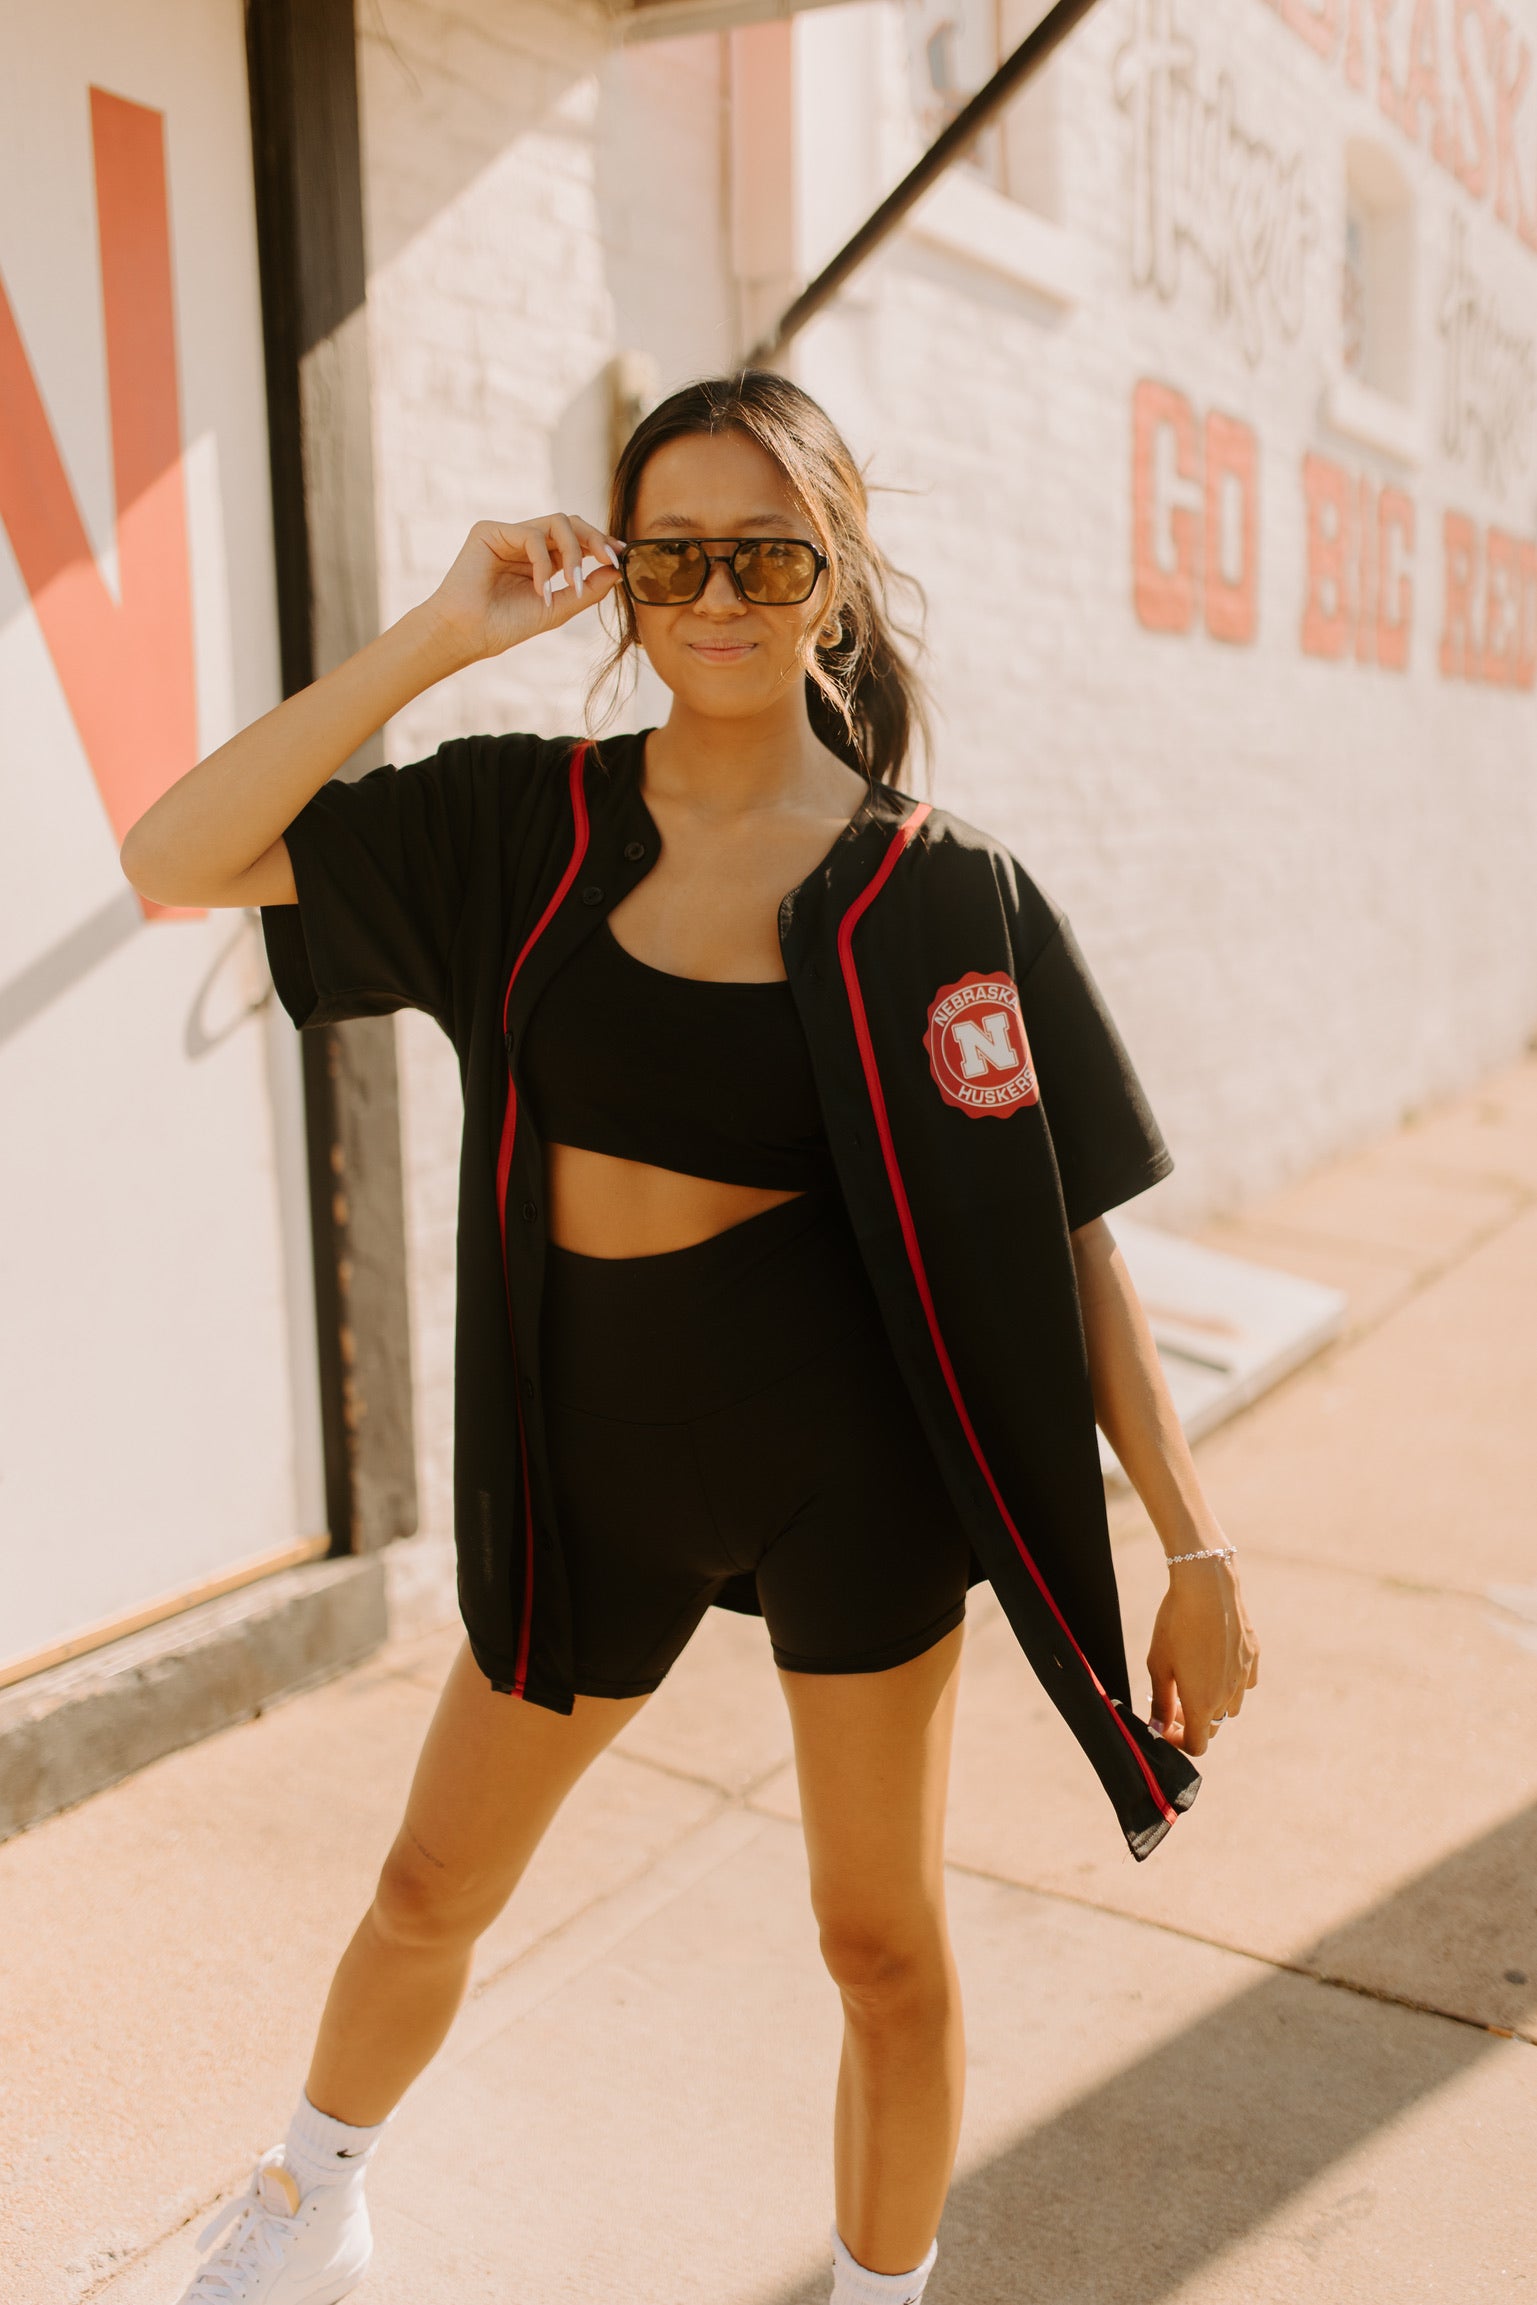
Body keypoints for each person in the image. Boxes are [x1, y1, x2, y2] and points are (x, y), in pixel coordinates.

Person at [122, 370, 1259, 2305]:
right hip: (593, 1460)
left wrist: (1190, 1534)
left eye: (764, 551)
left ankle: (878, 2292)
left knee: (879, 1941)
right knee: (425, 1886)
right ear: (623, 579)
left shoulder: (939, 890)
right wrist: (437, 633)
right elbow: (178, 855)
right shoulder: (518, 823)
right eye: (673, 553)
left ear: (832, 578)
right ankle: (310, 2202)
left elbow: (1058, 1234)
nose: (716, 592)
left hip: (853, 1476)